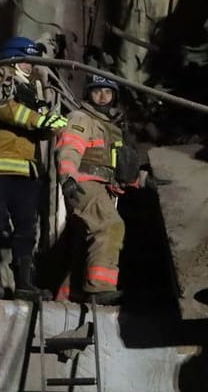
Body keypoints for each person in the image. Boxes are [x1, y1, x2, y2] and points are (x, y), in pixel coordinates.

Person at [0, 36, 66, 300]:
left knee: (27, 226)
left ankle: (24, 282)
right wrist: (40, 120)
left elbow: (38, 129)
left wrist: (49, 124)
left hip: (27, 168)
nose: (30, 65)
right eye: (26, 59)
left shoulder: (33, 90)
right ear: (12, 58)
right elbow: (2, 108)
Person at [54, 73, 145, 305]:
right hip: (83, 183)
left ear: (114, 96)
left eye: (108, 92)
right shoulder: (81, 118)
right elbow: (70, 148)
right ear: (89, 94)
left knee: (82, 242)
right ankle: (100, 288)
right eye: (97, 91)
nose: (102, 97)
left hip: (102, 186)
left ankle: (68, 294)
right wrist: (68, 177)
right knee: (109, 226)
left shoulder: (110, 128)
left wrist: (140, 181)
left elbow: (116, 167)